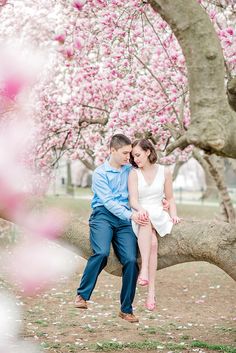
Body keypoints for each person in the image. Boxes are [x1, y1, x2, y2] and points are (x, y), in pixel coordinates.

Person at [75, 134, 148, 323]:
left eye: (130, 153)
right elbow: (107, 202)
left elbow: (144, 190)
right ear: (112, 151)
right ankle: (82, 295)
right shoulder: (100, 173)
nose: (128, 156)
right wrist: (130, 215)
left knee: (132, 261)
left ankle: (126, 309)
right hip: (103, 216)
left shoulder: (130, 171)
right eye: (125, 153)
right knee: (101, 253)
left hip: (124, 221)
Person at [128, 139, 180, 311]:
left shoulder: (165, 172)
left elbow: (170, 198)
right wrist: (141, 210)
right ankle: (149, 288)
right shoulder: (134, 173)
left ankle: (147, 282)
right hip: (141, 213)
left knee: (153, 239)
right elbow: (133, 200)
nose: (135, 159)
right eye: (133, 156)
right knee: (153, 243)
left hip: (158, 213)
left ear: (148, 151)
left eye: (138, 155)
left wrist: (173, 215)